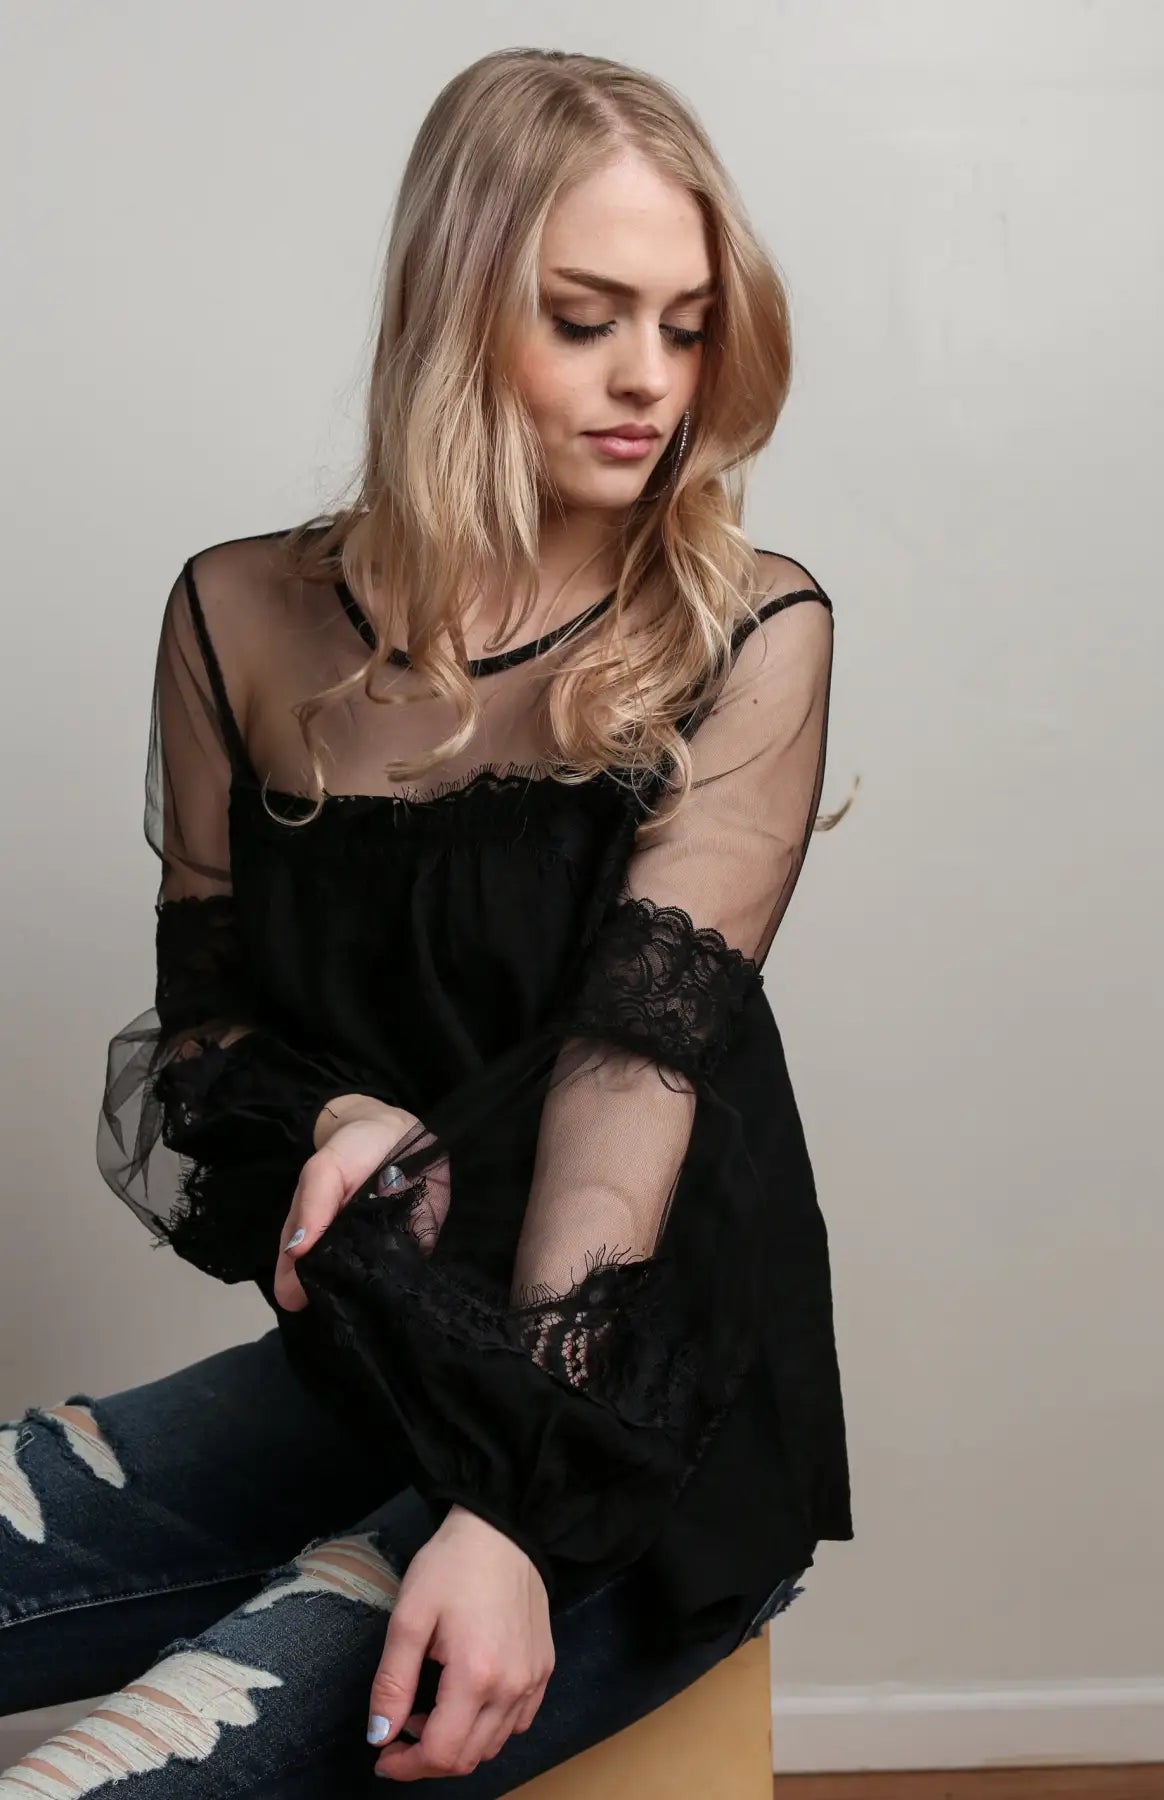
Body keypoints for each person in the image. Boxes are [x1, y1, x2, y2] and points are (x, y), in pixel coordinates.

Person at [0, 46, 856, 1796]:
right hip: (369, 1368)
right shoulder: (236, 616)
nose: (650, 378)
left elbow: (630, 1082)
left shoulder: (747, 630)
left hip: (635, 1414)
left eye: (688, 326)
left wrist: (516, 1508)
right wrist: (335, 1114)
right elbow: (205, 1032)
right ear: (453, 314)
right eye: (587, 319)